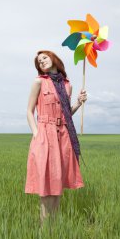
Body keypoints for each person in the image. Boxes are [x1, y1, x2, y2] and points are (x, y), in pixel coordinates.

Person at [25, 50, 87, 226]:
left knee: (58, 183)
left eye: (44, 57)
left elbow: (67, 115)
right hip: (45, 133)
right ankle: (44, 229)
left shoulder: (68, 86)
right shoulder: (39, 82)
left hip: (63, 135)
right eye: (39, 61)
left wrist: (78, 103)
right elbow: (29, 111)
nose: (42, 61)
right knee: (46, 185)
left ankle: (54, 227)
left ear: (53, 59)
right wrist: (36, 134)